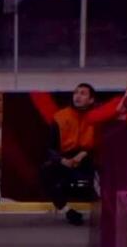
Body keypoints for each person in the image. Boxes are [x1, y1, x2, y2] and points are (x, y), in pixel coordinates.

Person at [41, 83, 97, 226]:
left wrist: (84, 154)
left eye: (83, 93)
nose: (77, 96)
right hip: (66, 159)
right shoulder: (60, 117)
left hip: (88, 158)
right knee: (46, 171)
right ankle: (67, 211)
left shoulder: (98, 117)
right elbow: (49, 148)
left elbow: (101, 143)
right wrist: (62, 160)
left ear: (91, 100)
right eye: (76, 93)